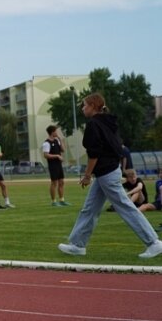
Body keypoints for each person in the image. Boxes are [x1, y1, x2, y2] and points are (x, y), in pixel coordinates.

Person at [58, 93, 162, 259]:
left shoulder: (94, 124)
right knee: (89, 209)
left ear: (93, 106)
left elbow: (94, 154)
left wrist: (86, 175)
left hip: (106, 173)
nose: (83, 108)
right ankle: (78, 245)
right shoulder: (107, 121)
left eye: (84, 105)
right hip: (107, 172)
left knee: (125, 207)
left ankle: (153, 242)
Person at [43, 125, 69, 206]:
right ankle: (54, 201)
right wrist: (57, 156)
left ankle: (62, 200)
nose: (57, 133)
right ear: (52, 132)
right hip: (53, 165)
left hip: (59, 165)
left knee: (61, 182)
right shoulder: (46, 143)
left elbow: (63, 150)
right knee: (54, 183)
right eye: (56, 131)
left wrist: (60, 139)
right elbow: (46, 155)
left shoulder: (57, 140)